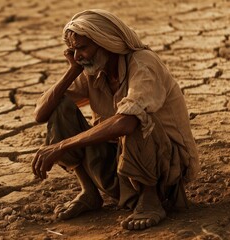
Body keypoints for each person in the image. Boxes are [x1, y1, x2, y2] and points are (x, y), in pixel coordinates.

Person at [31, 9, 199, 230]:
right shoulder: (94, 70)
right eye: (73, 50)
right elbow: (40, 114)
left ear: (106, 43)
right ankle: (89, 192)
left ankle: (151, 201)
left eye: (82, 48)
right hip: (119, 169)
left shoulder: (142, 63)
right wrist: (73, 70)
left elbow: (127, 123)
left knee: (138, 118)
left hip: (166, 169)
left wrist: (62, 145)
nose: (78, 55)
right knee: (60, 107)